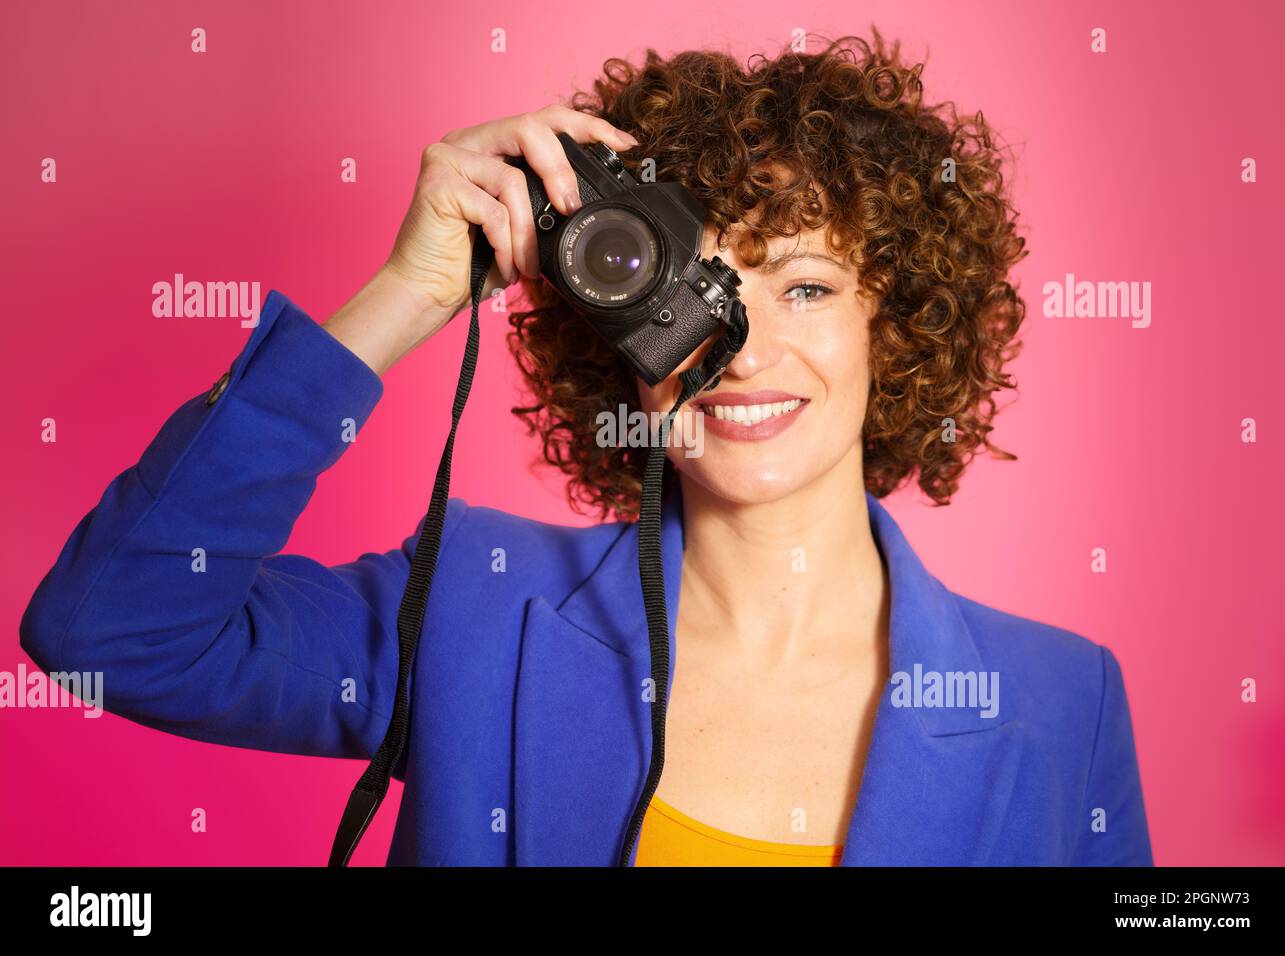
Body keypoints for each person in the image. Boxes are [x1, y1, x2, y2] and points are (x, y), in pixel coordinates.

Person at [20, 32, 1153, 866]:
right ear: (609, 331)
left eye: (804, 285)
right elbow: (106, 632)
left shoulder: (1060, 702)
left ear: (894, 323)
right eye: (689, 293)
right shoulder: (476, 606)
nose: (741, 350)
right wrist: (407, 294)